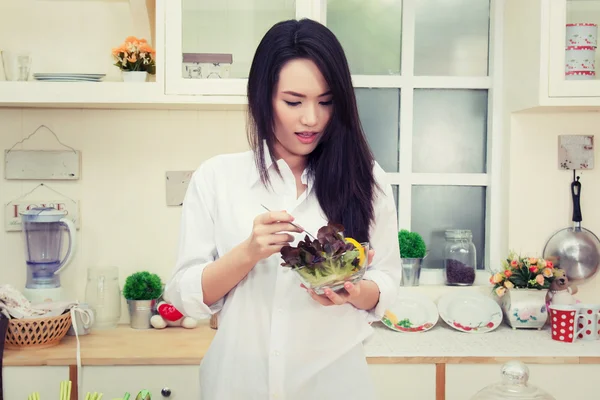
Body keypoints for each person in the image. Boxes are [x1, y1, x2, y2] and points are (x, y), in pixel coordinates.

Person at [163, 18, 402, 400]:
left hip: (333, 386)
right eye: (293, 102)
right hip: (236, 385)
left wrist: (354, 291)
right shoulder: (217, 177)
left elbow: (387, 283)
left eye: (326, 102)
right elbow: (183, 295)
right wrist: (247, 253)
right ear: (262, 97)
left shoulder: (366, 179)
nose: (311, 118)